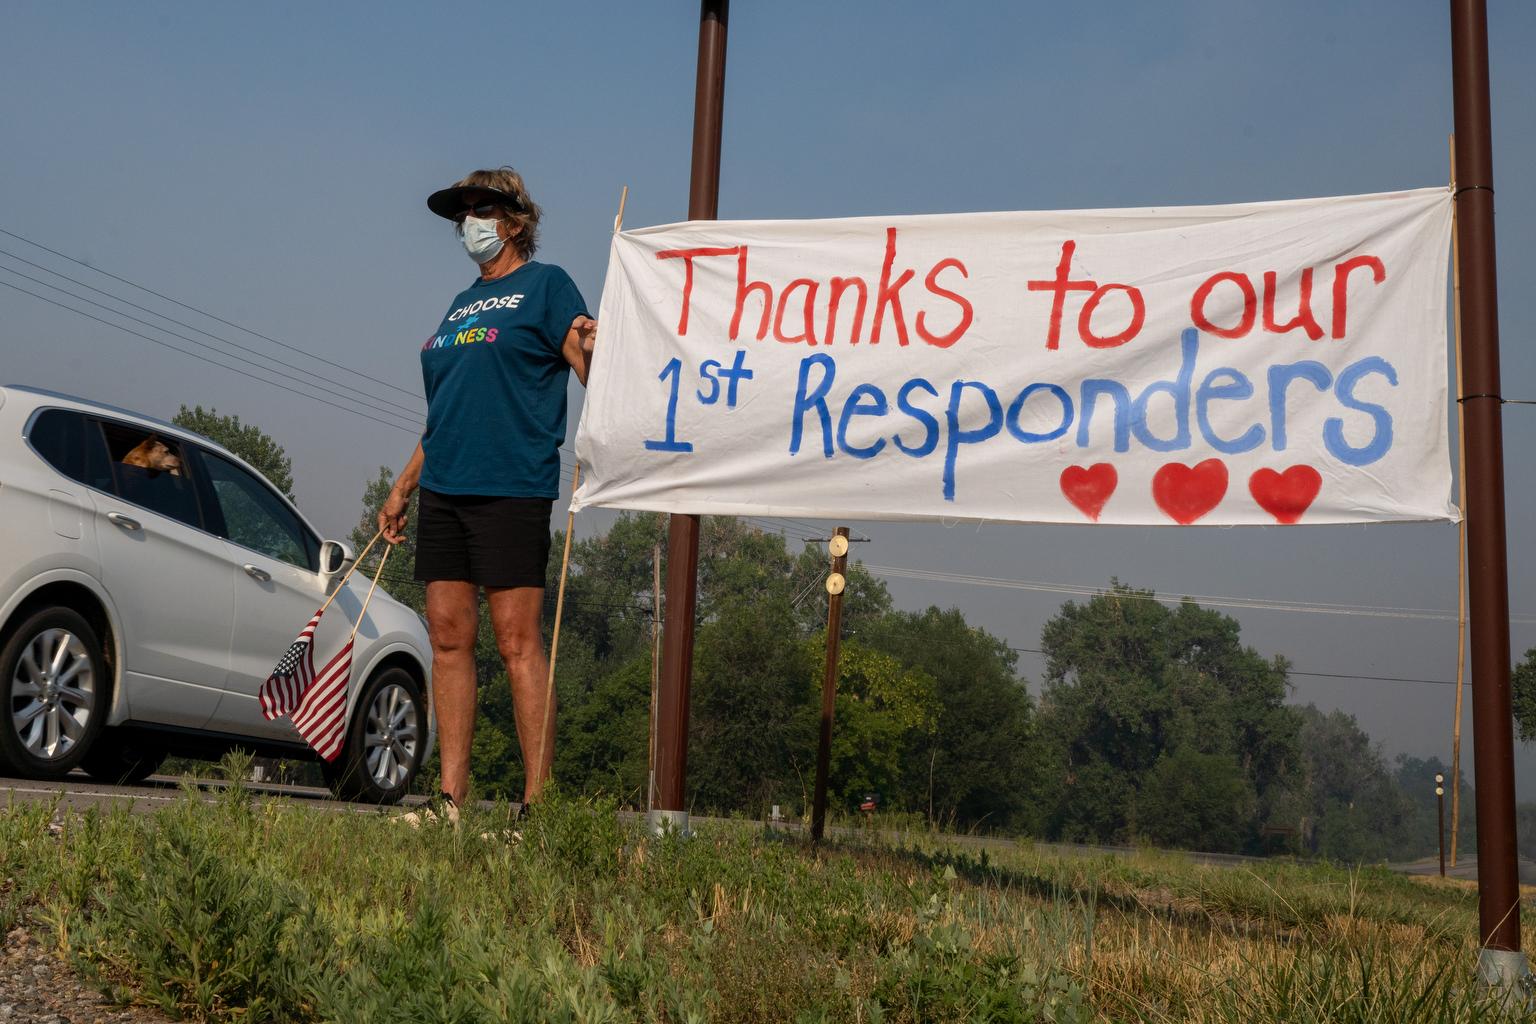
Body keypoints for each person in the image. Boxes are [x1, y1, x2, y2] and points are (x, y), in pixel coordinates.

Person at [379, 167, 596, 825]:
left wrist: (596, 346)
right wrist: (403, 484)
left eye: (482, 208)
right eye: (463, 211)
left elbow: (593, 369)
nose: (469, 220)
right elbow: (446, 407)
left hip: (512, 486)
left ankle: (538, 807)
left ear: (515, 221)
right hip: (444, 486)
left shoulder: (548, 285)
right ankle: (450, 799)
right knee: (447, 637)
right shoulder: (461, 303)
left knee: (515, 641)